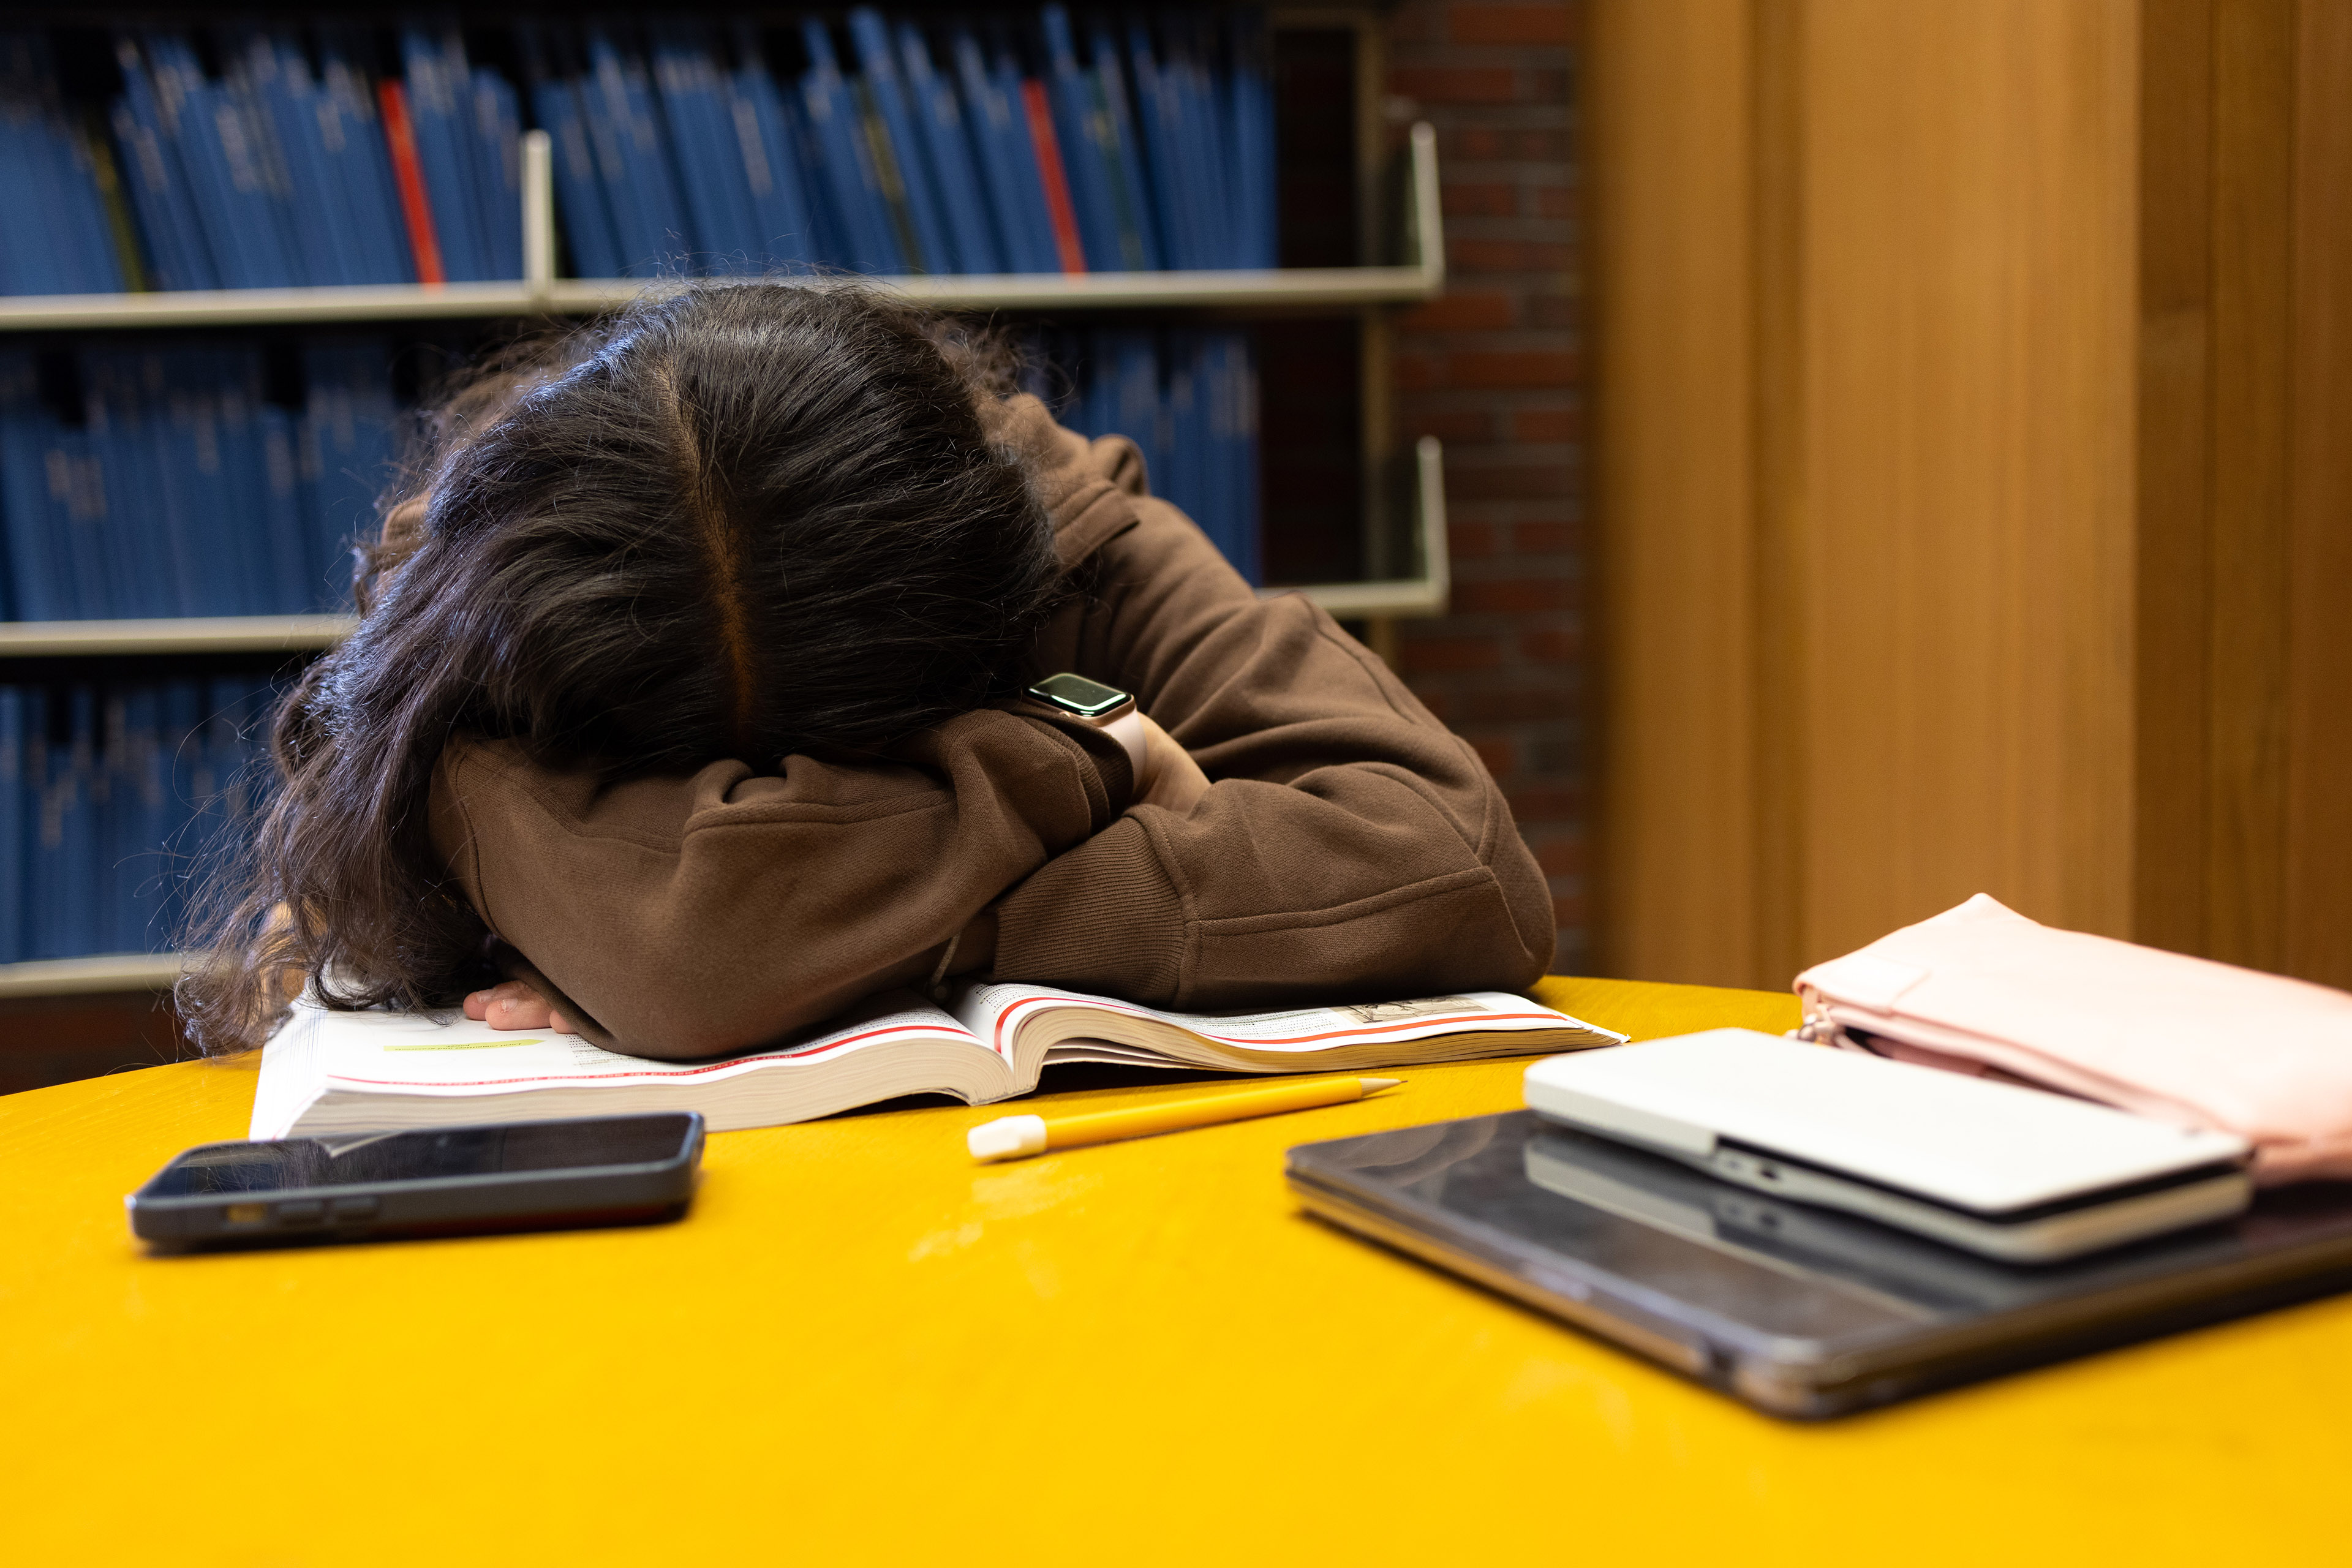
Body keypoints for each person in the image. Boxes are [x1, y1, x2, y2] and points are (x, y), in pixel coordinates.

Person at [179, 283, 1553, 1060]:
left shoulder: (1069, 540)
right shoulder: (486, 635)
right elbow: (703, 950)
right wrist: (1084, 758)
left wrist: (818, 924)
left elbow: (1449, 856)